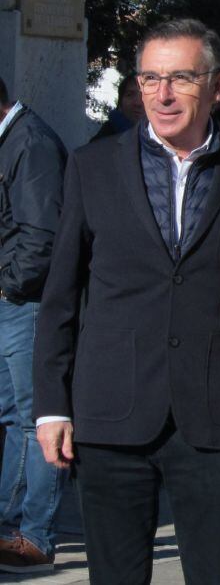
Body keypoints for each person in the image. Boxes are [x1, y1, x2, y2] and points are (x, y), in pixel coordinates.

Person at [32, 18, 220, 585]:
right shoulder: (92, 166)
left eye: (180, 77)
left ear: (218, 87)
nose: (163, 93)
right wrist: (52, 404)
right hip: (110, 415)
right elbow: (62, 295)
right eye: (150, 78)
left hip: (215, 416)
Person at [0, 79, 67, 573]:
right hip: (11, 299)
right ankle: (9, 526)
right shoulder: (15, 140)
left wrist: (9, 286)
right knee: (11, 416)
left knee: (33, 419)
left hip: (23, 302)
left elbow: (39, 233)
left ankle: (34, 534)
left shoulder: (31, 143)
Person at [91, 73, 144, 140]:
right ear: (120, 104)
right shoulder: (101, 143)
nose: (138, 103)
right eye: (130, 95)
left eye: (145, 95)